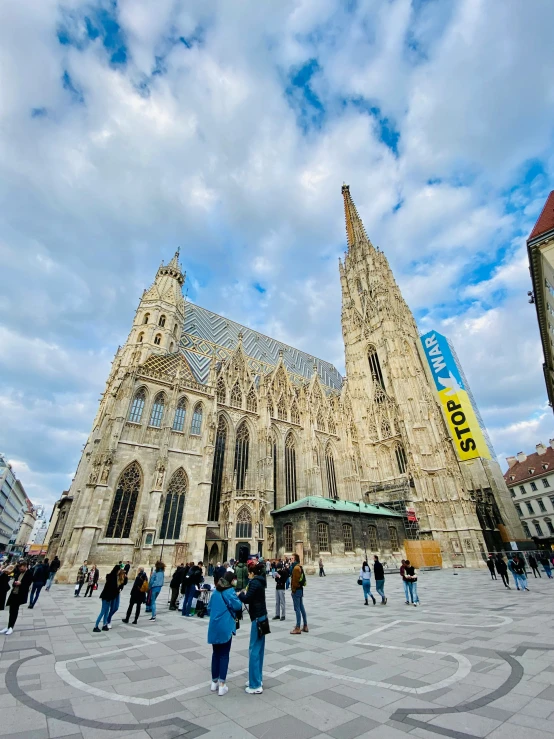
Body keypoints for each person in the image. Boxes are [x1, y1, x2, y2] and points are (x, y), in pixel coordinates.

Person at [208, 570, 243, 696]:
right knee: (224, 655)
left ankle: (214, 682)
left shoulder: (215, 592)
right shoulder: (229, 592)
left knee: (215, 654)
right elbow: (238, 606)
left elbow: (209, 608)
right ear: (231, 580)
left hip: (214, 626)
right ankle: (222, 685)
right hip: (225, 627)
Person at [238, 561, 268, 694]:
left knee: (254, 650)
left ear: (252, 573)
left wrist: (241, 595)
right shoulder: (261, 581)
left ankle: (255, 685)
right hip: (263, 617)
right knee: (260, 649)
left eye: (249, 574)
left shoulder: (254, 583)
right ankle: (257, 678)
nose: (248, 576)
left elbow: (248, 599)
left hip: (257, 618)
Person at [1, 561, 33, 635]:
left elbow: (28, 584)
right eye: (19, 568)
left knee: (14, 610)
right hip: (14, 593)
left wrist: (21, 584)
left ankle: (11, 627)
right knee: (11, 610)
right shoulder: (18, 573)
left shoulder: (29, 573)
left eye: (22, 568)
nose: (20, 569)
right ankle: (8, 626)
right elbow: (13, 582)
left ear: (25, 566)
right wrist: (15, 583)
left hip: (20, 595)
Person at [93, 565, 120, 632]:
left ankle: (104, 625)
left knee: (106, 612)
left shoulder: (112, 577)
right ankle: (95, 626)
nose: (119, 572)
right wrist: (118, 590)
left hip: (108, 597)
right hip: (106, 597)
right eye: (119, 570)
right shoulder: (113, 578)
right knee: (103, 612)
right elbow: (112, 589)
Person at [289, 553, 308, 634]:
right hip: (300, 590)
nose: (291, 560)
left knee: (297, 609)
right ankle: (305, 626)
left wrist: (293, 591)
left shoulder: (296, 568)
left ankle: (297, 627)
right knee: (301, 608)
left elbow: (295, 582)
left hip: (296, 590)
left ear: (295, 559)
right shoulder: (299, 566)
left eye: (292, 558)